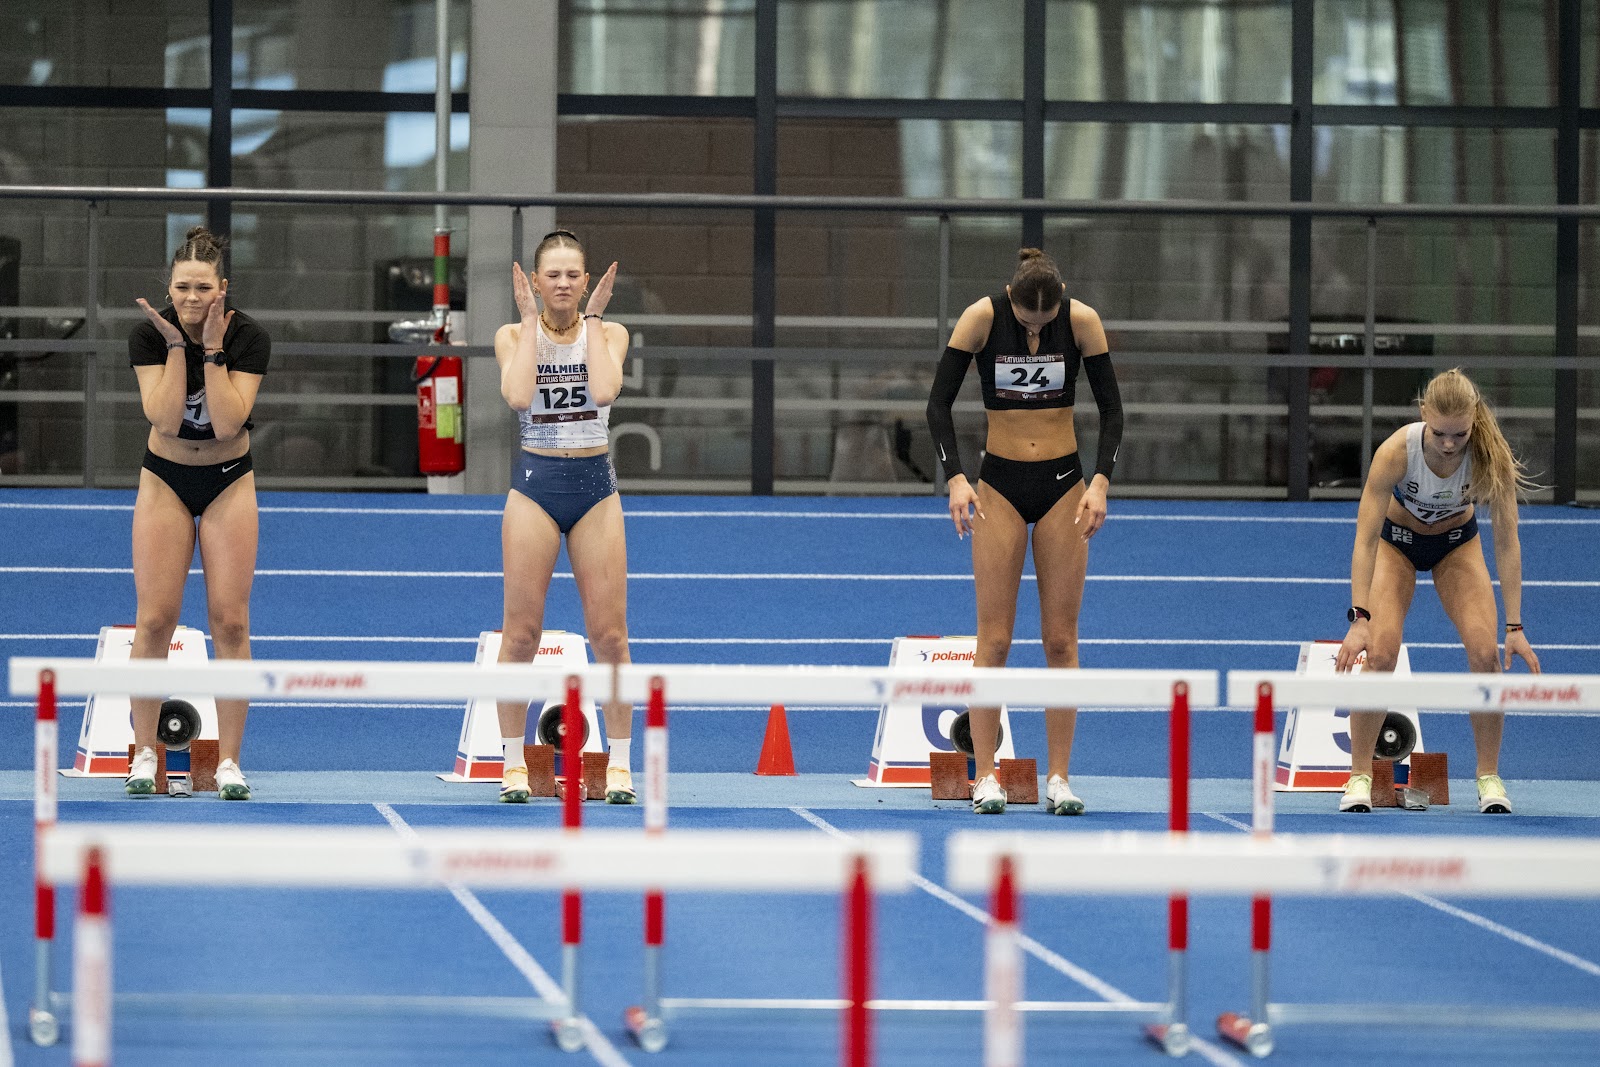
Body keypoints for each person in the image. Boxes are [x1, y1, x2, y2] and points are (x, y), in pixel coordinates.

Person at [926, 248, 1125, 815]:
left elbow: (1113, 411)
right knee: (994, 640)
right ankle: (986, 775)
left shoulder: (1082, 321)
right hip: (1000, 485)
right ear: (1011, 298)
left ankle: (1059, 777)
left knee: (1061, 640)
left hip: (1064, 484)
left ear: (1059, 304)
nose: (1036, 333)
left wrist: (1101, 482)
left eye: (1045, 324)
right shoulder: (981, 318)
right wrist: (956, 478)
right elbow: (938, 405)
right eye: (1027, 322)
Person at [1336, 368, 1540, 814]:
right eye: (1440, 433)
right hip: (1397, 544)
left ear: (1474, 419)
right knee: (1381, 654)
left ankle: (1489, 777)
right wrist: (1359, 618)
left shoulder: (1489, 455)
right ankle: (1359, 776)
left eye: (1460, 435)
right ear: (1423, 413)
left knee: (1485, 655)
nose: (1449, 444)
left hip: (1456, 545)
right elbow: (1365, 539)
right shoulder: (1397, 451)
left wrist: (1515, 626)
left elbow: (1507, 542)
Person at [126, 226, 269, 799]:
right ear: (168, 287)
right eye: (182, 287)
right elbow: (164, 419)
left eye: (203, 288)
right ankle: (143, 752)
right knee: (155, 619)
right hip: (165, 477)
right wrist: (175, 347)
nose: (191, 298)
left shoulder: (249, 337)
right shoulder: (148, 334)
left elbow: (229, 423)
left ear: (222, 288)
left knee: (230, 621)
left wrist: (211, 350)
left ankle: (230, 761)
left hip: (229, 479)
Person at [492, 230, 635, 804]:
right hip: (536, 487)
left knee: (610, 635)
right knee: (521, 633)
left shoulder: (611, 332)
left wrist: (593, 320)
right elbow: (517, 396)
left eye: (573, 275)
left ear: (587, 280)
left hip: (595, 488)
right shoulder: (511, 335)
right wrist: (529, 323)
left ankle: (620, 764)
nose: (563, 284)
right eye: (551, 275)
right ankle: (512, 764)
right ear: (534, 280)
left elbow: (603, 390)